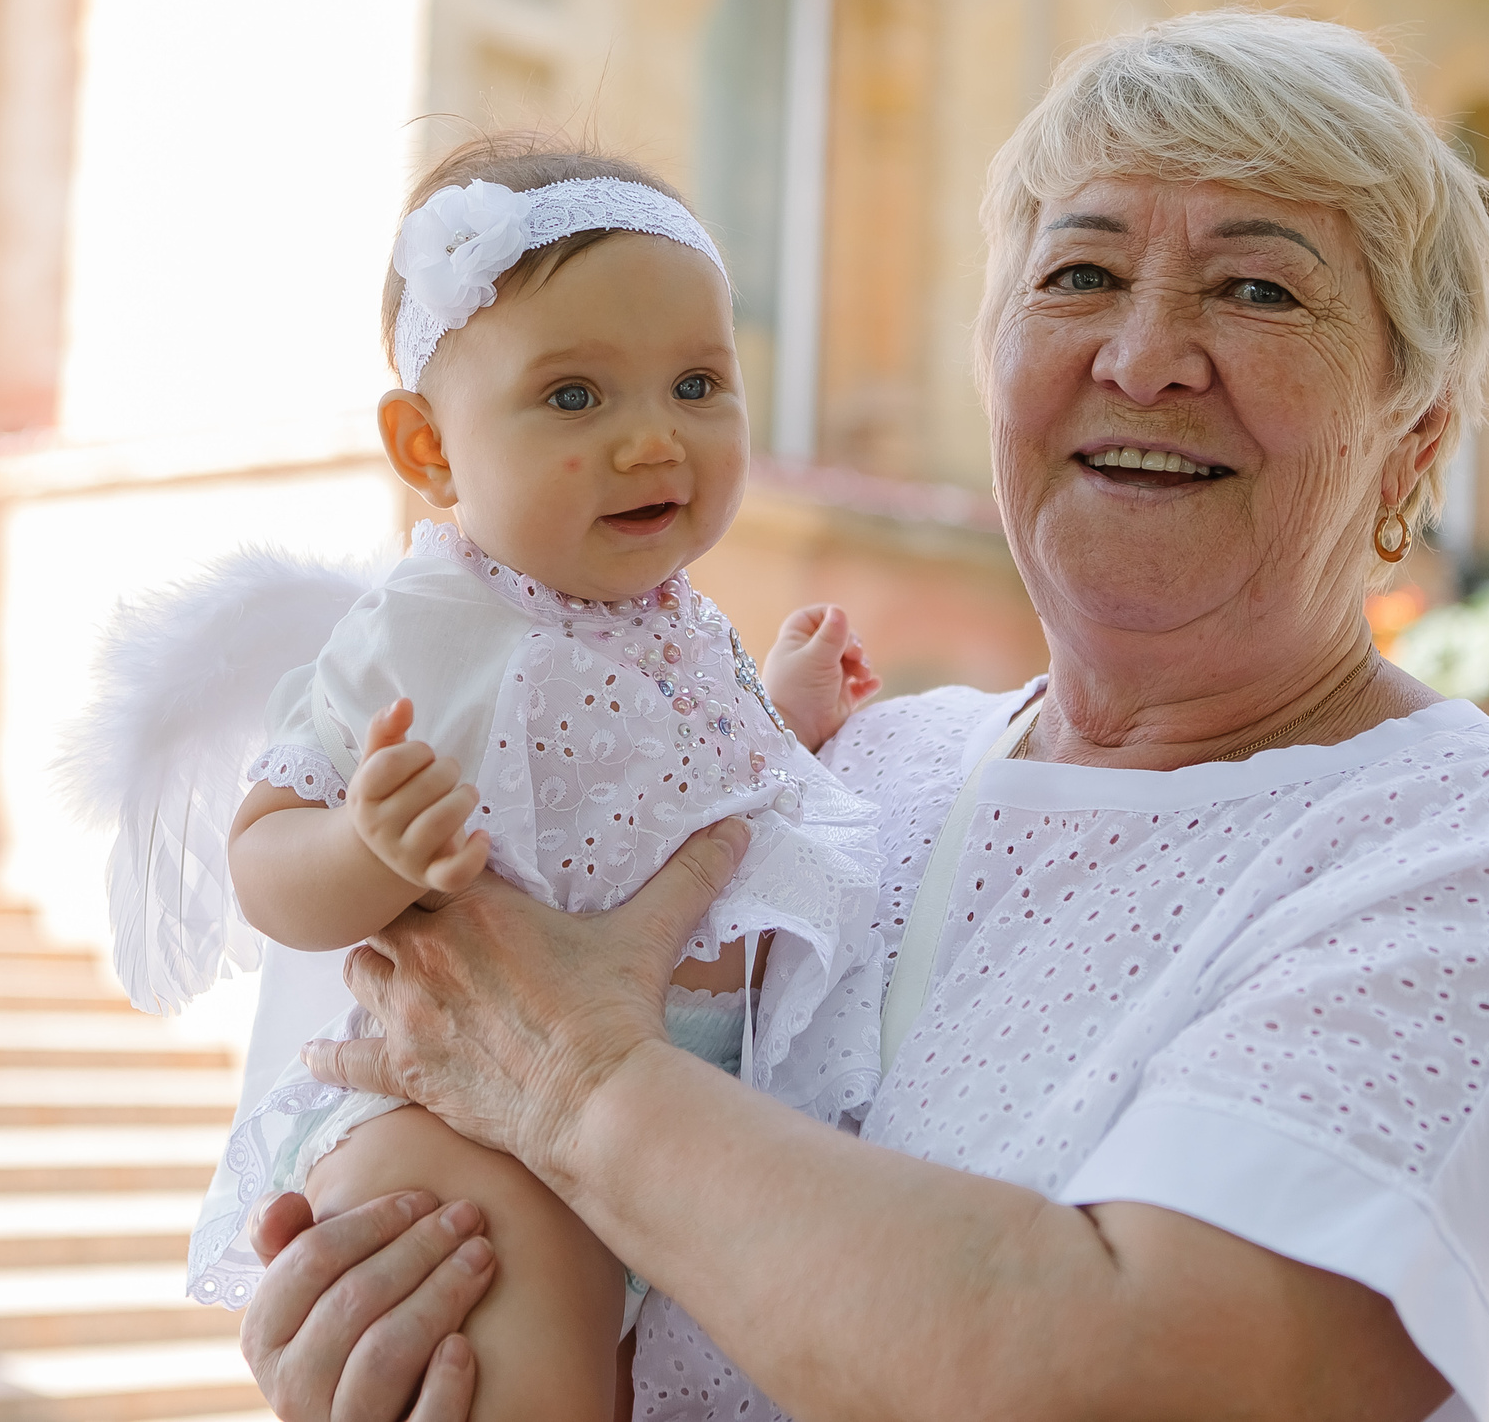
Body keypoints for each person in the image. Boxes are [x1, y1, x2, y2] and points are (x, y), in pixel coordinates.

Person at [232, 10, 1489, 1422]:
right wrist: (410, 1322)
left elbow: (1133, 1381)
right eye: (1078, 277)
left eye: (1258, 288)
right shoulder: (855, 771)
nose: (1143, 356)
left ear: (1418, 443)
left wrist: (569, 1078)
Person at [78, 137, 893, 1417]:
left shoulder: (677, 620)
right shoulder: (427, 625)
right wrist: (363, 851)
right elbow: (263, 855)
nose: (650, 442)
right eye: (575, 398)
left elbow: (703, 785)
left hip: (656, 1130)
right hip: (467, 1134)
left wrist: (781, 713)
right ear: (429, 449)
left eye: (695, 384)